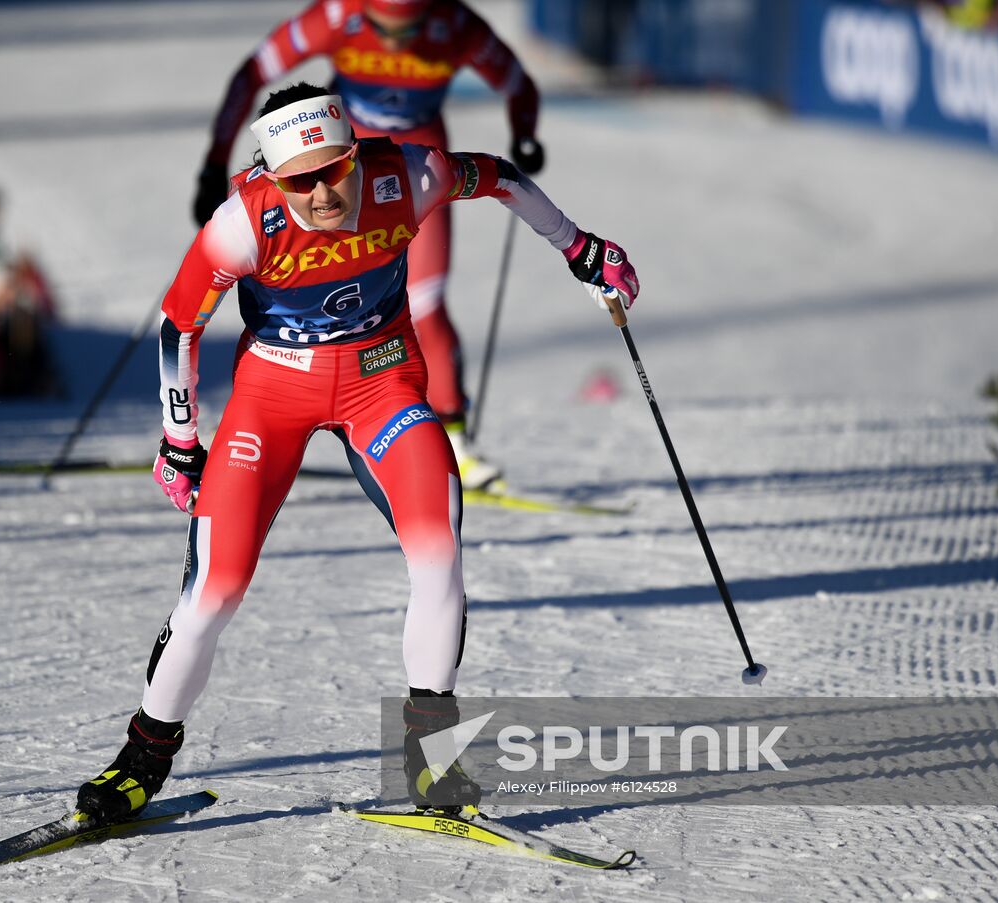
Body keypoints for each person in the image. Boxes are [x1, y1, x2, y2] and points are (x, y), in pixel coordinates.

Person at [75, 84, 638, 824]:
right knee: (214, 591)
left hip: (383, 385)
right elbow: (179, 325)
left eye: (333, 169)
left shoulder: (406, 174)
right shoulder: (243, 222)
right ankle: (140, 763)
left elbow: (499, 175)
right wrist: (181, 440)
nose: (320, 192)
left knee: (438, 554)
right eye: (299, 179)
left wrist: (580, 246)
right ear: (272, 176)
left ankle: (433, 761)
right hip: (272, 397)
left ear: (354, 154)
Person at [193, 0, 546, 490]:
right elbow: (252, 74)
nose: (398, 41)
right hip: (335, 165)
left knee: (424, 300)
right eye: (384, 29)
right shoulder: (338, 16)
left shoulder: (457, 24)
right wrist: (215, 162)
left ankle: (454, 441)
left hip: (409, 167)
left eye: (411, 28)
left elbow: (517, 83)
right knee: (289, 286)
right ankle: (253, 426)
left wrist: (524, 132)